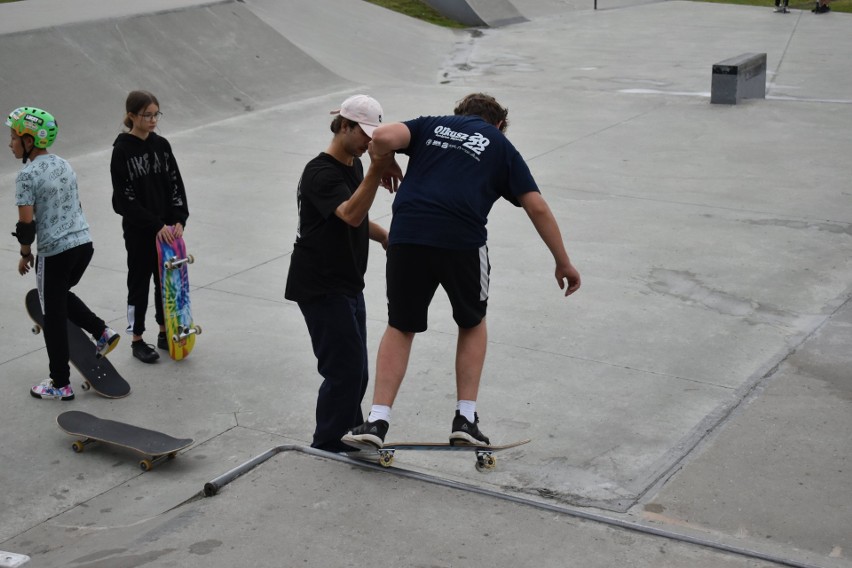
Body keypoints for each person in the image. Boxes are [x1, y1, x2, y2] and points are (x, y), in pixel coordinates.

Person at [343, 93, 581, 449]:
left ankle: (376, 421)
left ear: (460, 114)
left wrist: (386, 161)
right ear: (498, 124)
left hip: (409, 235)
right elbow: (537, 206)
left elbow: (380, 138)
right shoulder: (500, 145)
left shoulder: (430, 125)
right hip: (462, 241)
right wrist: (563, 260)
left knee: (401, 325)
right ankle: (465, 420)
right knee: (472, 322)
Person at [285, 94, 401, 453]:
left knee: (358, 372)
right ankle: (327, 443)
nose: (370, 142)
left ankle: (349, 432)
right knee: (344, 370)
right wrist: (377, 169)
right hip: (320, 285)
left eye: (373, 135)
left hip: (347, 283)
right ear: (344, 126)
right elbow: (350, 213)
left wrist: (385, 237)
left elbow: (357, 217)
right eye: (364, 133)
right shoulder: (319, 172)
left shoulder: (352, 163)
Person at [8, 106, 120, 400]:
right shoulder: (64, 164)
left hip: (55, 252)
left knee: (53, 317)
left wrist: (25, 252)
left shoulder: (26, 175)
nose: (9, 143)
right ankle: (102, 332)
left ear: (29, 141)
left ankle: (60, 383)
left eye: (13, 137)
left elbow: (26, 223)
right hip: (83, 245)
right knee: (60, 296)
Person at [110, 90, 189, 363]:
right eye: (147, 115)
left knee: (165, 283)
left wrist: (179, 218)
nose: (153, 120)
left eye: (156, 114)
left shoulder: (162, 145)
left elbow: (176, 183)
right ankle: (137, 339)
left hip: (167, 231)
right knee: (139, 282)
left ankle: (163, 332)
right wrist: (155, 224)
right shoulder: (121, 152)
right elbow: (124, 200)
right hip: (140, 232)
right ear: (132, 116)